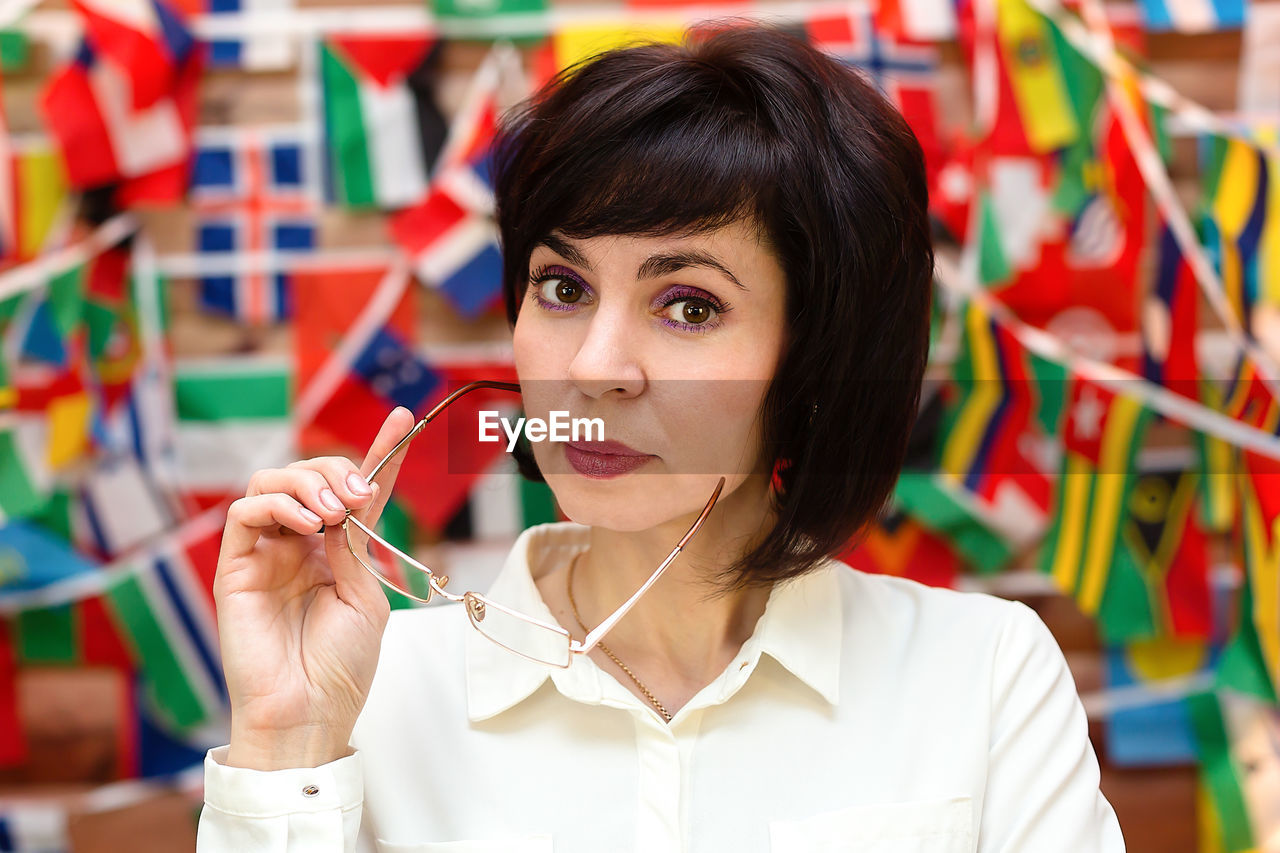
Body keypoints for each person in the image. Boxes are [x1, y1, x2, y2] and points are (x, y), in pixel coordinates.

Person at [196, 22, 1126, 852]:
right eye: (563, 287)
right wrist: (286, 746)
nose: (599, 364)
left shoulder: (984, 678)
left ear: (817, 358)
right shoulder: (373, 697)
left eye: (688, 305)